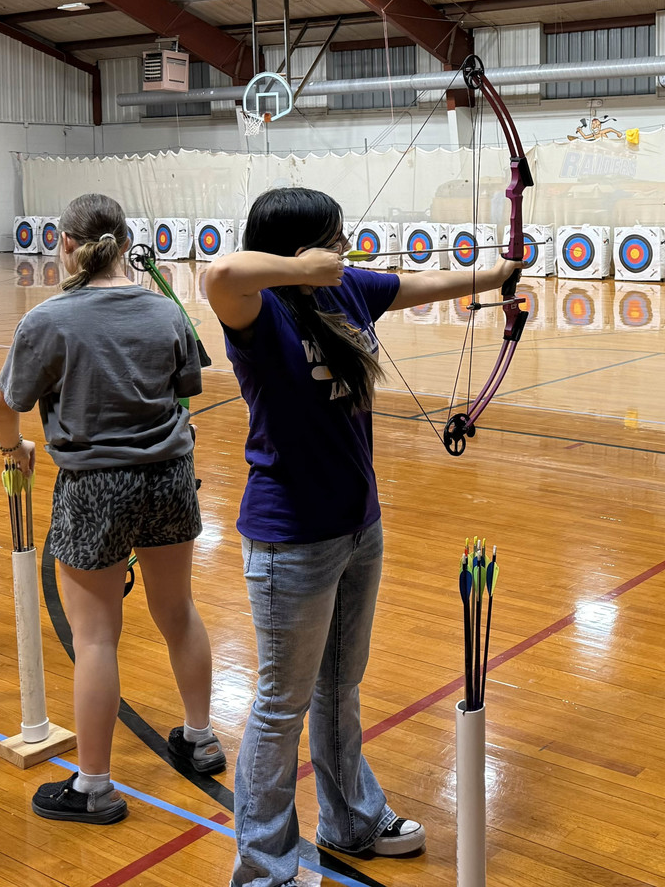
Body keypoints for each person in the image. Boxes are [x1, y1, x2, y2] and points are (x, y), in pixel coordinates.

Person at [204, 187, 521, 887]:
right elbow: (218, 274)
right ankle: (263, 869)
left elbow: (425, 282)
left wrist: (503, 273)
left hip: (357, 526)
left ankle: (349, 819)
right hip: (290, 538)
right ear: (298, 247)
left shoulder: (346, 291)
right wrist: (301, 272)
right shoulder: (258, 312)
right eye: (332, 238)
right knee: (280, 704)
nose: (345, 248)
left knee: (339, 687)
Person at [0, 192, 224, 825]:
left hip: (95, 485)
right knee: (178, 610)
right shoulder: (167, 310)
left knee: (95, 637)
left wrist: (14, 450)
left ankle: (93, 787)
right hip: (170, 476)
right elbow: (184, 389)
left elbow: (3, 407)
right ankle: (200, 738)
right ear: (126, 242)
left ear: (65, 243)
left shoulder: (50, 319)